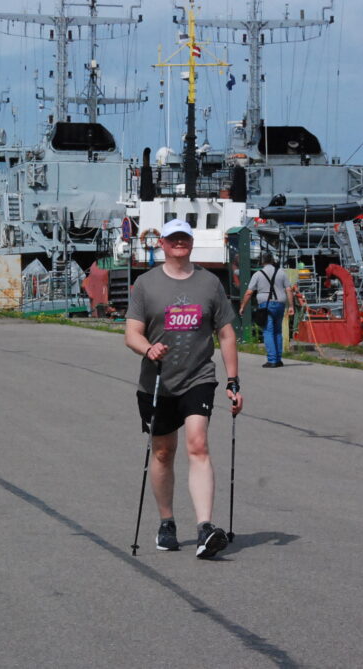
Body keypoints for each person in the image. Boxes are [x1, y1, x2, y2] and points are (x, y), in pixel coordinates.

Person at [124, 218, 243, 559]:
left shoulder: (209, 283)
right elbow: (132, 333)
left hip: (198, 377)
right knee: (163, 452)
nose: (179, 243)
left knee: (198, 444)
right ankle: (167, 523)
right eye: (173, 238)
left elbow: (226, 334)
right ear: (162, 243)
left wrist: (233, 380)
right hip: (157, 380)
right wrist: (148, 348)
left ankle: (205, 528)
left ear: (191, 243)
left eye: (185, 238)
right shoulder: (146, 284)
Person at [239, 252, 295, 368]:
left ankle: (272, 360)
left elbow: (249, 292)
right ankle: (278, 359)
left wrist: (243, 306)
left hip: (266, 305)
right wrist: (291, 306)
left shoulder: (258, 274)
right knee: (278, 331)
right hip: (280, 304)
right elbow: (289, 290)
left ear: (262, 261)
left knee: (268, 331)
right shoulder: (281, 273)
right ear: (273, 260)